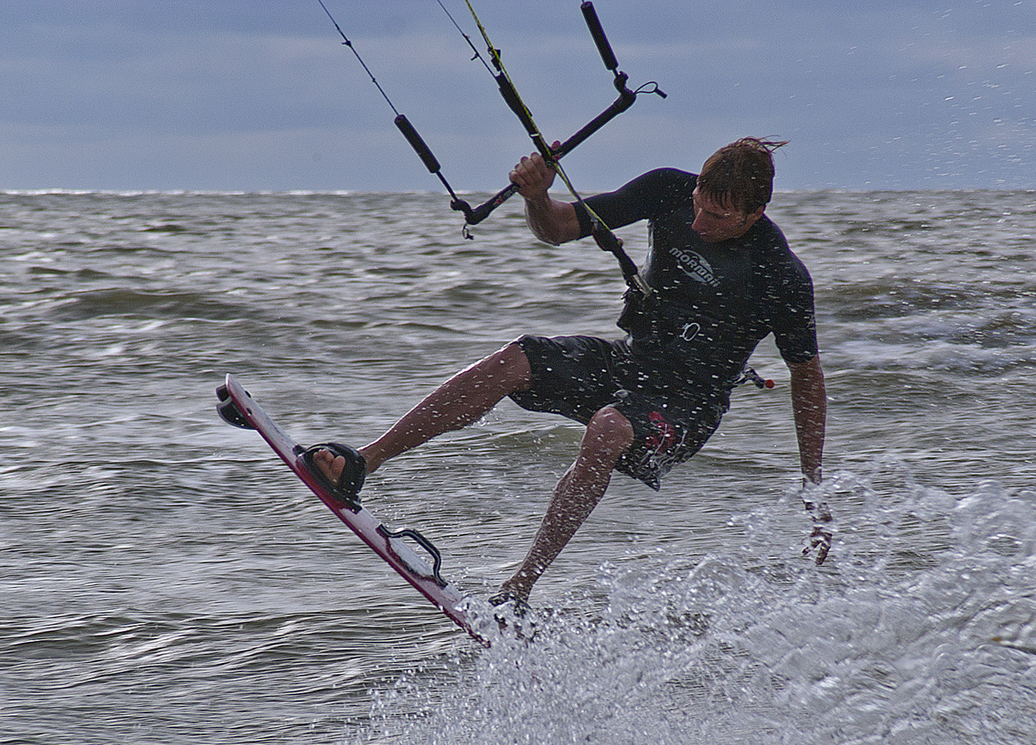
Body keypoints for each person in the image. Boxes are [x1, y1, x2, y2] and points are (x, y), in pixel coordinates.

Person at [304, 136, 829, 611]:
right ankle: (364, 462)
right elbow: (557, 228)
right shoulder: (669, 189)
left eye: (715, 217)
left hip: (686, 407)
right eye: (697, 206)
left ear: (755, 213)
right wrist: (536, 195)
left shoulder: (781, 276)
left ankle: (518, 589)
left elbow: (807, 380)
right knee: (515, 359)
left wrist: (813, 488)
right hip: (630, 362)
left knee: (607, 428)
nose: (697, 224)